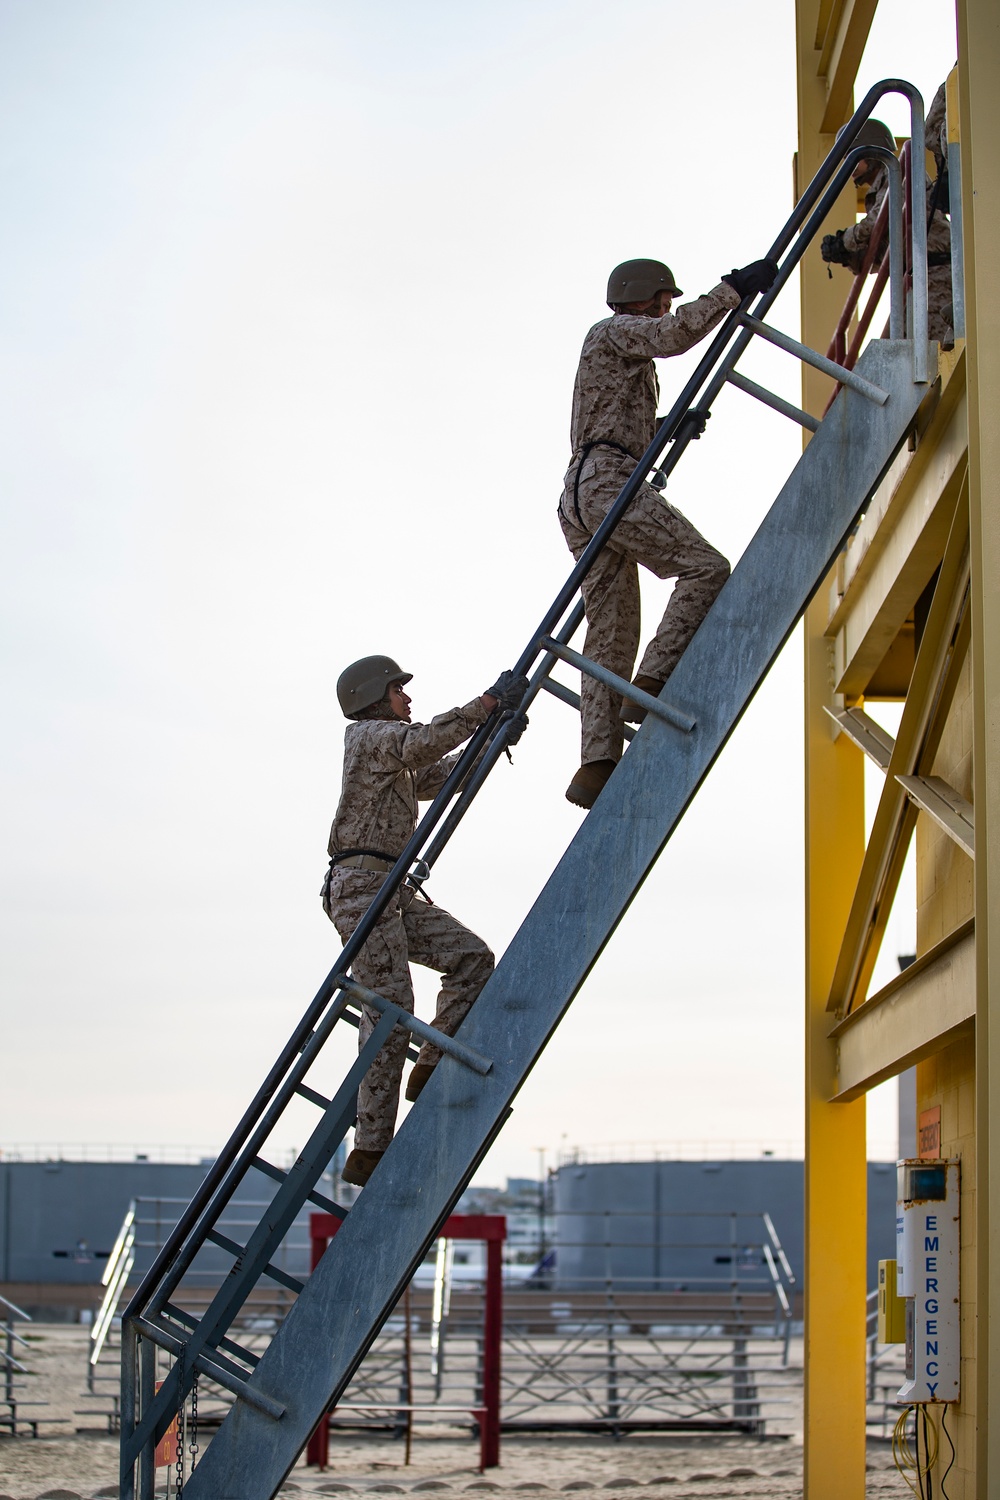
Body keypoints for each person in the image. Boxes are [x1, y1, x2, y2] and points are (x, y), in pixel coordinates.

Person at [558, 255, 778, 810]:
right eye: (662, 297)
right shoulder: (614, 331)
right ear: (640, 295)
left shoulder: (618, 352)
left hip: (584, 488)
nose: (667, 306)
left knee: (609, 633)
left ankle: (597, 762)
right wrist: (730, 290)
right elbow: (675, 336)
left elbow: (612, 422)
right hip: (609, 482)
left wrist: (664, 427)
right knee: (704, 567)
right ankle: (654, 681)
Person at [322, 654, 527, 1188]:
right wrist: (484, 707)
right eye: (399, 691)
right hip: (363, 889)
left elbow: (439, 774)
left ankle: (430, 1061)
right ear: (375, 698)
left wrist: (492, 739)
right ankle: (370, 1147)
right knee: (389, 1006)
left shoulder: (392, 753)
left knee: (471, 959)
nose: (408, 700)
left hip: (387, 889)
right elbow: (423, 743)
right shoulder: (369, 737)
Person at [821, 114, 953, 345]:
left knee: (930, 354)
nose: (849, 167)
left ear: (871, 153)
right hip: (915, 279)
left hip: (935, 275)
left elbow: (876, 223)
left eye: (853, 158)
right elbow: (880, 252)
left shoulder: (899, 173)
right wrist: (847, 256)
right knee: (899, 349)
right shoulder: (884, 185)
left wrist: (844, 241)